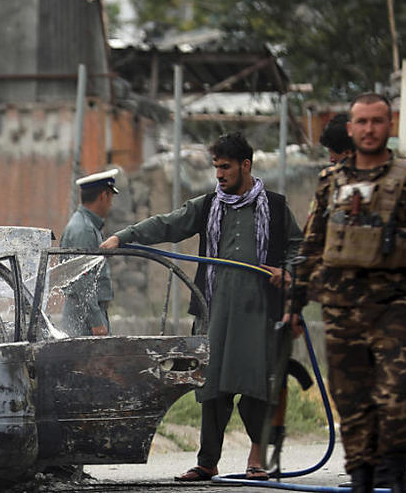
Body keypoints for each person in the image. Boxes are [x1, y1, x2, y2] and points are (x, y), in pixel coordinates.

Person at [100, 132, 302, 481]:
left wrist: (289, 273)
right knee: (211, 388)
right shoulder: (208, 206)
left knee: (257, 387)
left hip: (259, 314)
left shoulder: (276, 207)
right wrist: (124, 237)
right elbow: (168, 223)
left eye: (226, 167)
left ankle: (257, 460)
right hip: (215, 312)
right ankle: (208, 461)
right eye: (216, 168)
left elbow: (300, 249)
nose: (220, 174)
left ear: (246, 165)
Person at [287, 93, 406, 493]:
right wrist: (294, 305)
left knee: (397, 394)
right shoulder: (330, 182)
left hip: (392, 307)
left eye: (377, 121)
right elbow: (310, 246)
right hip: (340, 311)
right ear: (351, 128)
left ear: (388, 126)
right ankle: (361, 480)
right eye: (362, 122)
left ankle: (396, 478)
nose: (369, 129)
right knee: (353, 403)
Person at [59, 168, 118, 336]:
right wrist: (96, 322)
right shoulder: (83, 230)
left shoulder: (87, 226)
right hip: (84, 317)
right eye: (110, 197)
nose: (111, 203)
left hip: (86, 312)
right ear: (103, 196)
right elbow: (83, 279)